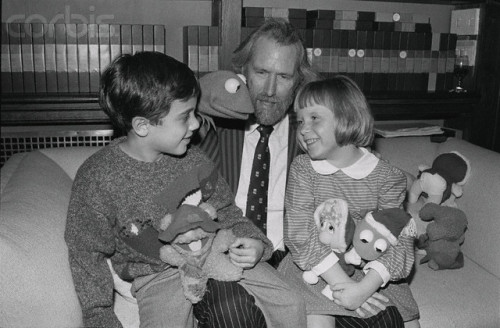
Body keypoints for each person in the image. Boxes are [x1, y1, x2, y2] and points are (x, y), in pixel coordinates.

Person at [64, 51, 306, 328]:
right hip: (158, 273)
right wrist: (99, 316)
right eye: (185, 117)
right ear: (142, 126)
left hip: (217, 252)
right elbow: (86, 253)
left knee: (293, 303)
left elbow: (227, 211)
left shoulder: (195, 160)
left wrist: (256, 244)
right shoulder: (97, 178)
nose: (196, 124)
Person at [196, 18, 408, 328]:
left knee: (383, 321)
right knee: (233, 313)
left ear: (299, 81)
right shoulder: (215, 125)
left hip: (300, 257)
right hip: (232, 252)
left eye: (283, 76)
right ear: (243, 72)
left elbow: (367, 177)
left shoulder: (312, 133)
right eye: (261, 72)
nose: (269, 90)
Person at [282, 75, 420, 327]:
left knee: (408, 323)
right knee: (317, 320)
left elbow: (398, 239)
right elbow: (299, 232)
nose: (302, 128)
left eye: (314, 118)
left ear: (348, 118)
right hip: (318, 265)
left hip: (371, 267)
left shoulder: (388, 177)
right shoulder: (303, 169)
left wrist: (365, 288)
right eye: (300, 120)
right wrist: (342, 284)